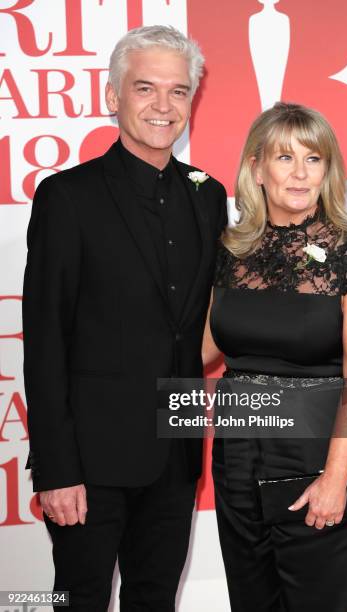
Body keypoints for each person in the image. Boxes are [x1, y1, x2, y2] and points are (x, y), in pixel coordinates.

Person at [23, 25, 227, 611]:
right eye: (145, 88)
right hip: (88, 462)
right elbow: (46, 340)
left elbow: (204, 326)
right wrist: (57, 470)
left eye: (179, 91)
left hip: (178, 451)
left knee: (155, 599)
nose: (163, 107)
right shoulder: (67, 197)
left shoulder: (209, 196)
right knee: (78, 600)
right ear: (113, 96)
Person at [203, 102, 347, 611]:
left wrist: (336, 478)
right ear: (256, 167)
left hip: (316, 455)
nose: (300, 173)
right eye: (285, 158)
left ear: (329, 170)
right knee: (251, 600)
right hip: (237, 454)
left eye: (314, 159)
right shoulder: (228, 253)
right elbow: (201, 349)